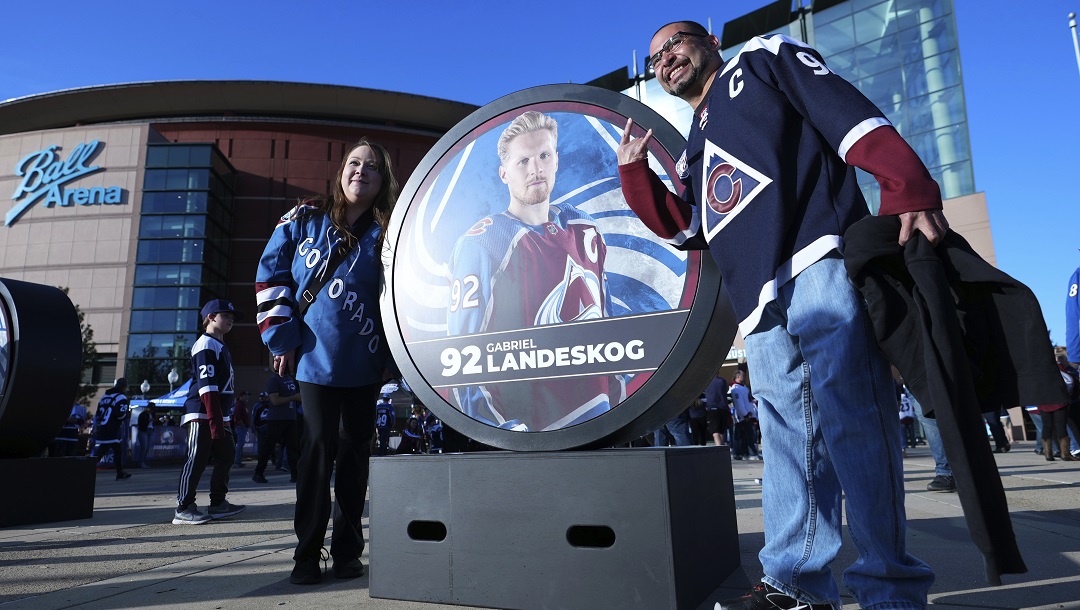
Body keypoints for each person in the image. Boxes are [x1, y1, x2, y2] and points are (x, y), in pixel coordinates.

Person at [617, 21, 944, 610]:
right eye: (656, 57)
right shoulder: (692, 146)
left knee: (854, 421)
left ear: (710, 42)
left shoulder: (763, 59)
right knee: (787, 441)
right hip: (757, 303)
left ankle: (891, 590)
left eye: (676, 43)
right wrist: (635, 175)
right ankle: (796, 587)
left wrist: (906, 183)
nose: (665, 59)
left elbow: (841, 112)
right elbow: (687, 228)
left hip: (818, 262)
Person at [256, 138, 398, 585]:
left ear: (383, 179)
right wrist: (281, 338)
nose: (361, 171)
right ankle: (305, 555)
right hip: (313, 356)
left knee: (355, 456)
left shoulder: (395, 231)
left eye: (372, 166)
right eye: (354, 163)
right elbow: (271, 273)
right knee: (316, 450)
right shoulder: (303, 218)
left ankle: (347, 552)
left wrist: (394, 357)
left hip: (367, 360)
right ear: (341, 171)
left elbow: (403, 295)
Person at [446, 110, 624, 432]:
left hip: (602, 422)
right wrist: (502, 431)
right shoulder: (484, 242)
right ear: (504, 174)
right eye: (523, 161)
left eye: (544, 156)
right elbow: (463, 354)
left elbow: (607, 326)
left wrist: (621, 405)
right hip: (535, 433)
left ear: (556, 160)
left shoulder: (585, 228)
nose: (536, 169)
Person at [173, 299, 246, 525]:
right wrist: (215, 420)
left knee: (227, 455)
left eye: (232, 317)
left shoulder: (219, 344)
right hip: (201, 413)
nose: (231, 320)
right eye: (226, 315)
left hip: (218, 415)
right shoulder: (205, 344)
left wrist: (222, 418)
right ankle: (183, 507)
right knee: (196, 458)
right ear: (211, 317)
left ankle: (218, 503)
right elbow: (207, 388)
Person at [252, 370, 302, 483]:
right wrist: (293, 397)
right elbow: (275, 400)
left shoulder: (291, 379)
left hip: (291, 417)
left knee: (293, 447)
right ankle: (258, 473)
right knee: (268, 446)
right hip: (276, 419)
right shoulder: (274, 380)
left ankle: (295, 474)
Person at [93, 378, 132, 480]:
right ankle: (86, 468)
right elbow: (120, 415)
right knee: (104, 450)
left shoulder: (104, 397)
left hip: (103, 427)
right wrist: (127, 415)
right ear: (123, 387)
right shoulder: (121, 397)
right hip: (112, 428)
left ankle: (120, 472)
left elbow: (98, 414)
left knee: (116, 449)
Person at [729, 371, 759, 461]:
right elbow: (739, 403)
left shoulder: (744, 387)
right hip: (743, 416)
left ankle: (741, 453)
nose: (745, 377)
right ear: (738, 377)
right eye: (743, 375)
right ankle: (748, 453)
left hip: (749, 414)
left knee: (745, 435)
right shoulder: (735, 388)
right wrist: (745, 414)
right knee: (746, 435)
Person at [704, 370, 731, 446]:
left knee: (715, 431)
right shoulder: (723, 381)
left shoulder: (707, 382)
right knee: (722, 430)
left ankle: (719, 447)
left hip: (712, 407)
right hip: (723, 407)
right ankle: (722, 447)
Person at [232, 391, 251, 467]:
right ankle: (237, 462)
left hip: (243, 427)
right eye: (245, 396)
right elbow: (236, 417)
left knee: (241, 444)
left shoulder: (243, 404)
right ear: (241, 396)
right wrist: (242, 425)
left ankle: (238, 461)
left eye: (247, 396)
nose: (247, 397)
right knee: (239, 445)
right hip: (240, 427)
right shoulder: (239, 404)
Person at [134, 402, 155, 468]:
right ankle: (141, 462)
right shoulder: (143, 414)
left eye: (152, 409)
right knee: (144, 447)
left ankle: (143, 462)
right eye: (150, 409)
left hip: (150, 430)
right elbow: (140, 423)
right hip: (143, 431)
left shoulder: (153, 414)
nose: (151, 410)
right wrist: (148, 421)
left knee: (147, 447)